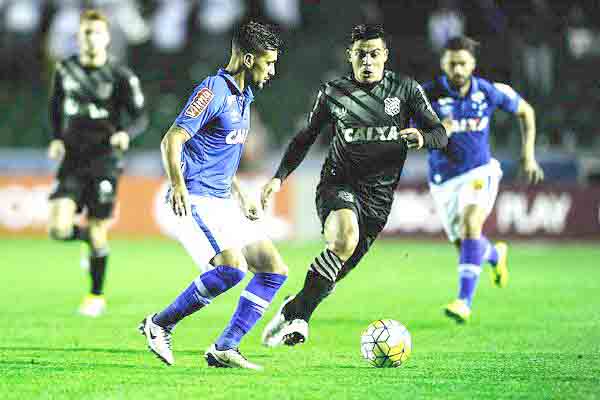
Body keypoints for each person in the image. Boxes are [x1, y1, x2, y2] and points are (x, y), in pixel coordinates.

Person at [260, 24, 447, 347]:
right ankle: (301, 321)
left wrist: (422, 137)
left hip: (379, 199)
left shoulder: (405, 90)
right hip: (338, 184)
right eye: (361, 54)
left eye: (375, 54)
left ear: (385, 56)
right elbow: (305, 138)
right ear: (350, 56)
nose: (368, 61)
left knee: (337, 270)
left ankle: (294, 307)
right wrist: (279, 176)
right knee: (345, 237)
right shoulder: (334, 93)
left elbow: (440, 133)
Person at [138, 21, 287, 370]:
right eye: (269, 62)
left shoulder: (243, 97)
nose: (273, 70)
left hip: (222, 201)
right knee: (232, 269)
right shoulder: (213, 90)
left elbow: (219, 156)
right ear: (249, 59)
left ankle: (225, 347)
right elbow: (172, 139)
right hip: (196, 200)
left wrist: (240, 195)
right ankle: (159, 323)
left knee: (272, 269)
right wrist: (177, 185)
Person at [420, 36, 544, 323]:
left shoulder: (489, 91)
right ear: (443, 63)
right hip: (442, 181)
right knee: (466, 245)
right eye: (452, 63)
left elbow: (526, 111)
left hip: (479, 171)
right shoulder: (426, 96)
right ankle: (494, 254)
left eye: (463, 63)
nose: (458, 70)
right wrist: (438, 132)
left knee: (471, 224)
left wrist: (528, 155)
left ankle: (464, 301)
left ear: (473, 64)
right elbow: (414, 139)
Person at [47, 9, 147, 318]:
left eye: (96, 33)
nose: (91, 38)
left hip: (105, 160)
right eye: (85, 33)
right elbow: (54, 109)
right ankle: (87, 243)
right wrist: (56, 137)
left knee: (98, 228)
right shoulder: (65, 70)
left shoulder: (121, 75)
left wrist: (124, 133)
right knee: (58, 229)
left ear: (106, 38)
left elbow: (140, 116)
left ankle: (95, 295)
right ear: (78, 38)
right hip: (74, 159)